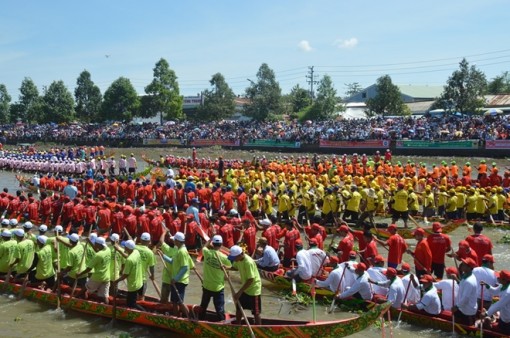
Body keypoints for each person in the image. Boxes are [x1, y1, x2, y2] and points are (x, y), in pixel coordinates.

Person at [199, 235, 232, 321]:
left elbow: (204, 247)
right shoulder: (224, 257)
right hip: (218, 287)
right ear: (221, 244)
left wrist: (209, 239)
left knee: (203, 306)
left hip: (207, 286)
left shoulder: (207, 252)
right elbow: (231, 266)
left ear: (213, 244)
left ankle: (200, 319)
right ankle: (222, 322)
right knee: (219, 309)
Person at [161, 232, 194, 318]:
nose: (173, 241)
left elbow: (185, 267)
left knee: (179, 301)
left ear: (178, 241)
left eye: (175, 240)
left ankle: (189, 317)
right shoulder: (178, 250)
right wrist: (163, 256)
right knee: (174, 301)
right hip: (176, 280)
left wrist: (175, 279)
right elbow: (172, 262)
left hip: (180, 281)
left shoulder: (182, 252)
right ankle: (177, 316)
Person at [227, 245, 262, 325]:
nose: (234, 260)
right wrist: (226, 267)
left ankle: (258, 328)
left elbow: (250, 280)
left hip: (254, 289)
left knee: (256, 312)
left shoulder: (248, 262)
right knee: (239, 308)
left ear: (239, 255)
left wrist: (239, 292)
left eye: (234, 258)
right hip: (246, 288)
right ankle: (237, 325)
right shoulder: (238, 260)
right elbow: (235, 268)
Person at [76, 237, 111, 304]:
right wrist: (89, 241)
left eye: (95, 243)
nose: (94, 244)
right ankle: (107, 308)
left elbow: (89, 268)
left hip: (97, 277)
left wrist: (79, 274)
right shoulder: (108, 250)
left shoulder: (97, 255)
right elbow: (97, 250)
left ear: (99, 244)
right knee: (105, 296)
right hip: (107, 277)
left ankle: (74, 298)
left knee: (85, 288)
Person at [113, 239, 145, 311]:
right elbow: (128, 256)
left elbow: (125, 275)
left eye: (125, 247)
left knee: (131, 303)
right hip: (139, 281)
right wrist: (118, 250)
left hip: (133, 284)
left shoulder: (129, 260)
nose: (124, 248)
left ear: (127, 248)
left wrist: (116, 281)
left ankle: (144, 312)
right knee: (131, 300)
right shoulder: (136, 252)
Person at [482, 270, 510, 335]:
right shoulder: (502, 286)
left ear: (505, 280)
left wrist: (486, 313)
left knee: (504, 333)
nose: (497, 278)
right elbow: (494, 291)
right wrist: (487, 286)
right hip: (503, 315)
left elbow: (498, 305)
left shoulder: (508, 292)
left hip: (508, 318)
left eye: (499, 277)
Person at [452, 257, 478, 326]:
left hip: (467, 311)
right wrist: (456, 279)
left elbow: (465, 298)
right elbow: (462, 285)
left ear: (469, 268)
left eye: (464, 264)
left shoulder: (469, 281)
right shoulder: (466, 276)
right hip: (463, 308)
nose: (462, 265)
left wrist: (456, 307)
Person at [136, 232, 156, 300]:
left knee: (133, 294)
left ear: (141, 240)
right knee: (141, 296)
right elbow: (152, 267)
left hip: (133, 277)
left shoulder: (134, 248)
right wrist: (152, 276)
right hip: (142, 279)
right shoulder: (150, 252)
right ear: (149, 241)